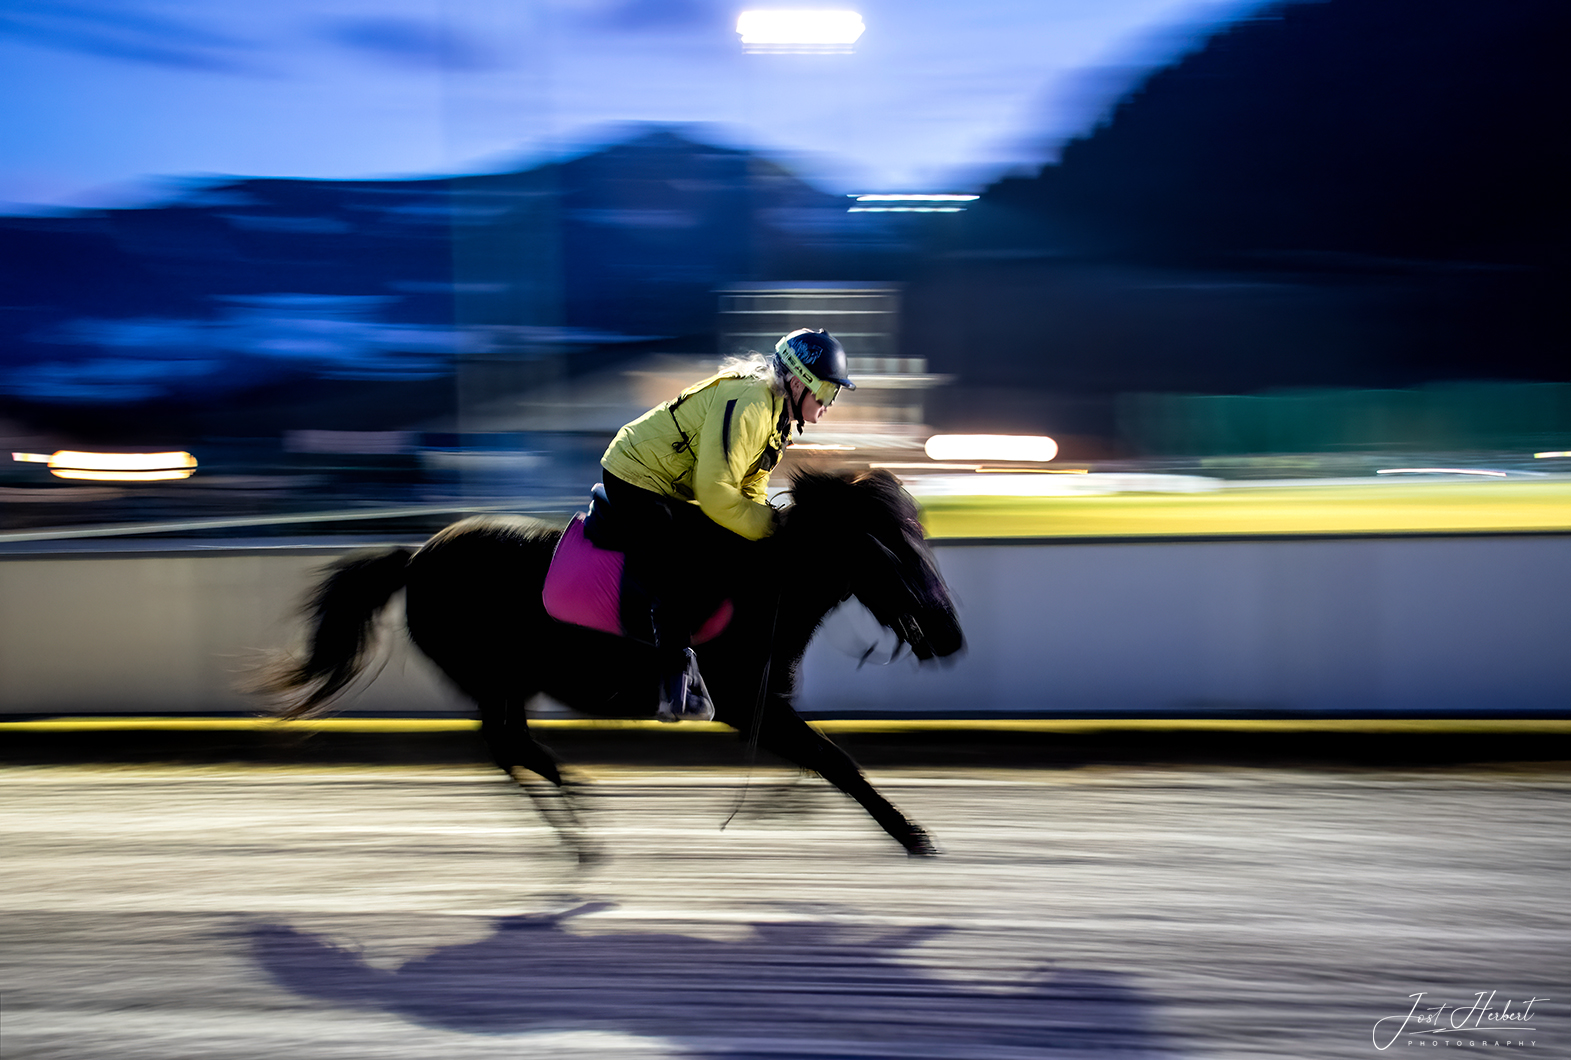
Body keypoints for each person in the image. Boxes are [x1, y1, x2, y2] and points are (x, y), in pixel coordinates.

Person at [597, 328, 855, 720]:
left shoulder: (777, 417)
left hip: (669, 482)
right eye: (828, 391)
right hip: (634, 475)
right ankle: (673, 683)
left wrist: (770, 526)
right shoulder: (751, 401)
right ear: (801, 381)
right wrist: (773, 527)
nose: (829, 402)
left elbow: (749, 489)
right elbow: (717, 492)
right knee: (677, 560)